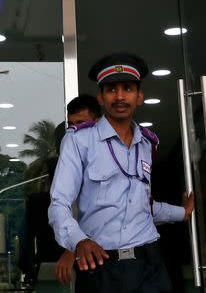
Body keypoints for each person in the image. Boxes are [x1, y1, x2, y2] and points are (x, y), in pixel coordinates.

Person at [49, 53, 195, 293]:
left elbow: (142, 207)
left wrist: (182, 213)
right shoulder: (79, 141)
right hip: (102, 266)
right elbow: (58, 204)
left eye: (127, 89)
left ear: (139, 97)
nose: (119, 96)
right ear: (101, 97)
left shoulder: (147, 144)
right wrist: (78, 241)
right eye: (111, 90)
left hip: (149, 263)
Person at [22, 94, 101, 286]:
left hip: (94, 263)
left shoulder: (105, 159)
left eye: (81, 124)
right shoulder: (40, 198)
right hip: (54, 267)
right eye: (70, 128)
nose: (74, 133)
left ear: (98, 124)